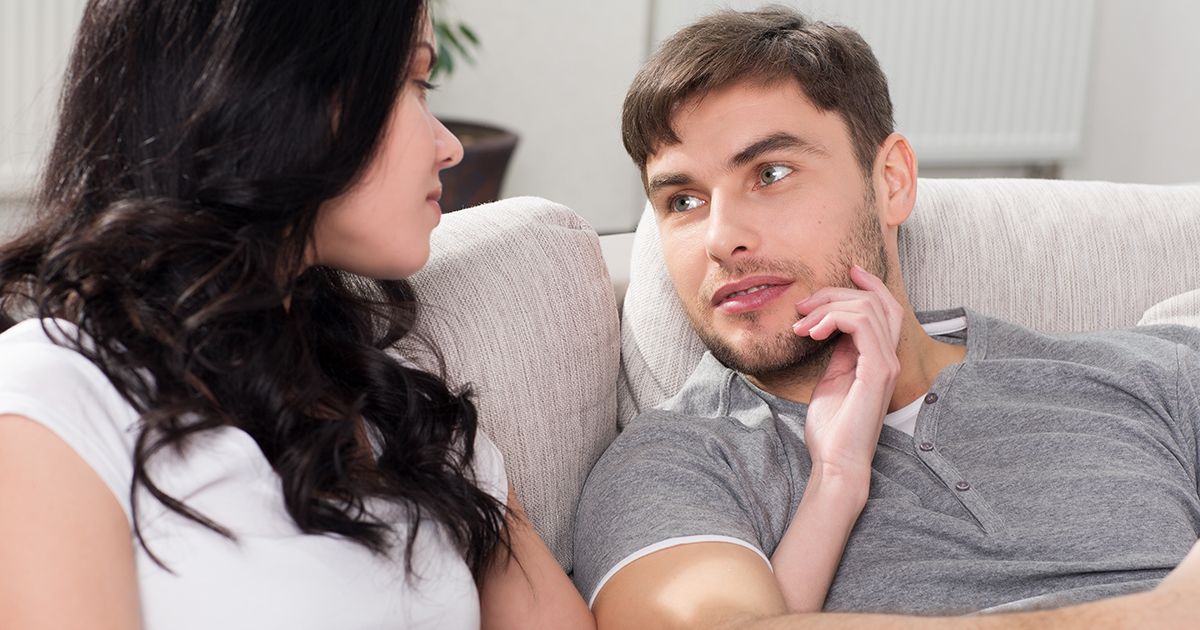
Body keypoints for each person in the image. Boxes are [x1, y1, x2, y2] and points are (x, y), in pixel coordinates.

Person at [573, 7, 1200, 629]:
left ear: (892, 182)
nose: (720, 238)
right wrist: (835, 483)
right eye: (683, 201)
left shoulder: (1150, 372)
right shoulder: (674, 461)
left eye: (771, 173)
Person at [0, 1, 593, 628]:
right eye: (415, 83)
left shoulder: (406, 413)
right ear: (277, 90)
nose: (448, 147)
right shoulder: (57, 396)